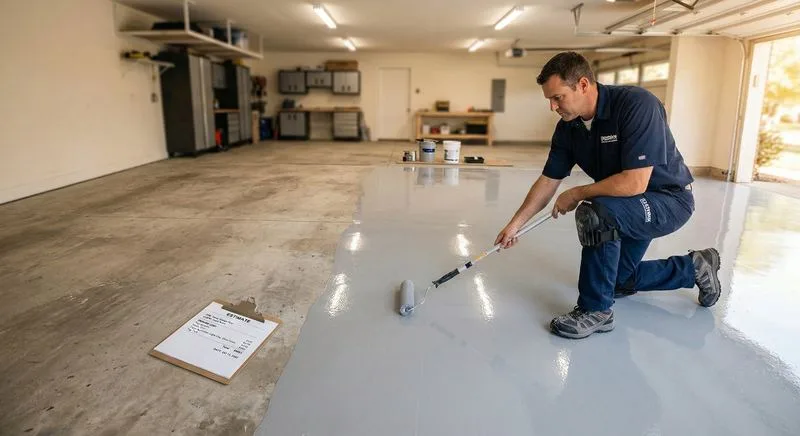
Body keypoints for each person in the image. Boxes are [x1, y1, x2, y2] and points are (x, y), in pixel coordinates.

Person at [495, 51, 722, 339]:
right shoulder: (569, 128)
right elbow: (549, 180)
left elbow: (635, 183)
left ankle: (595, 311)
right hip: (628, 206)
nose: (553, 106)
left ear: (583, 85)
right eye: (549, 100)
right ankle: (694, 268)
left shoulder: (636, 105)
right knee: (614, 280)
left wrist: (577, 193)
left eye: (558, 97)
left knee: (596, 212)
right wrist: (516, 225)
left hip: (668, 199)